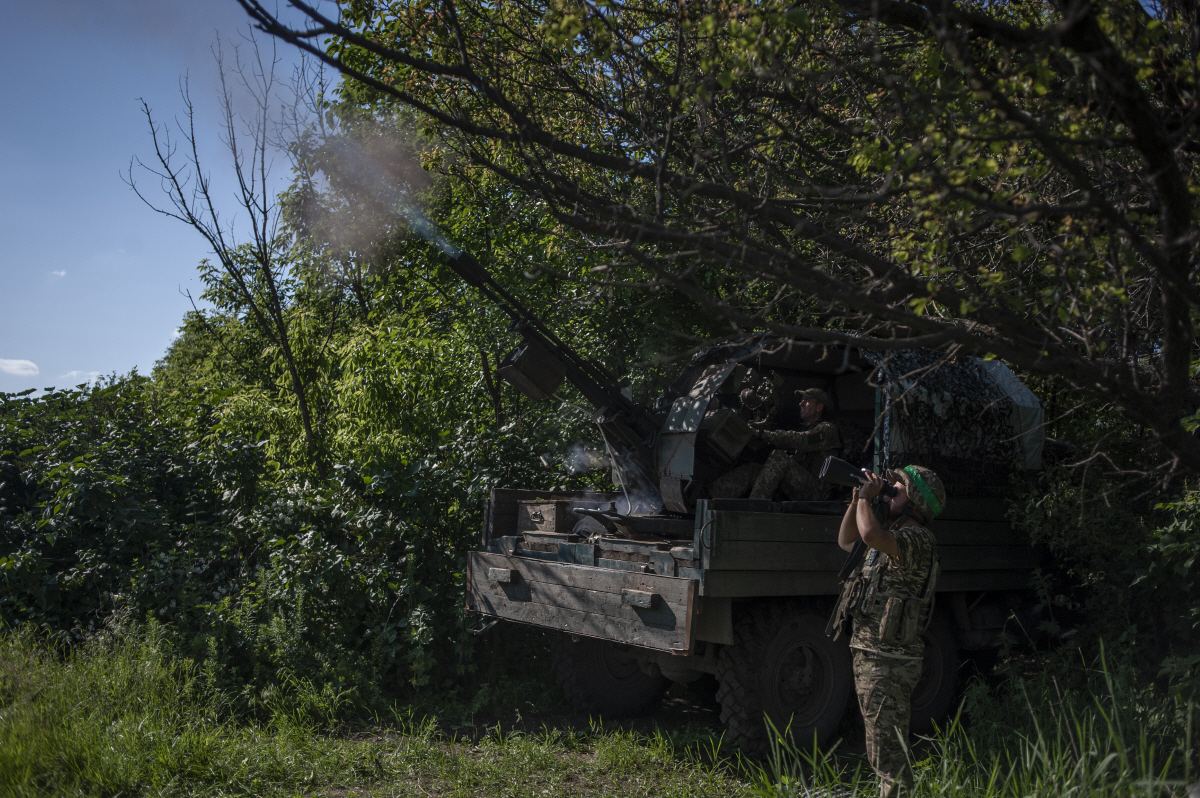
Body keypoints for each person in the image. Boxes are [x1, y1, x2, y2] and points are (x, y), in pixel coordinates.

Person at [827, 464, 946, 798]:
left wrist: (868, 498)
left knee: (888, 757)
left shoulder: (917, 540)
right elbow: (847, 539)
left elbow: (869, 536)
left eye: (899, 485)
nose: (891, 486)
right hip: (873, 656)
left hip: (889, 662)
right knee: (882, 749)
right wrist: (857, 501)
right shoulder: (892, 537)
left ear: (916, 501)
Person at [747, 387, 841, 501]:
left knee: (779, 457)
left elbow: (801, 440)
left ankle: (754, 508)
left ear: (819, 407)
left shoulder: (828, 430)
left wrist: (762, 434)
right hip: (798, 484)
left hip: (817, 493)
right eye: (802, 400)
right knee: (752, 470)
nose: (801, 404)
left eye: (807, 401)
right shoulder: (803, 428)